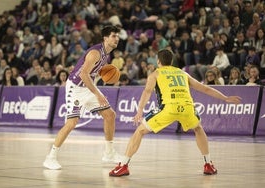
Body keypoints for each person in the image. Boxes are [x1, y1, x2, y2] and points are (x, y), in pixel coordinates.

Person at [109, 49, 241, 177]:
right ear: (171, 61)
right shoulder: (183, 73)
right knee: (198, 129)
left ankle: (124, 166)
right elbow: (205, 89)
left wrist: (139, 111)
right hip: (187, 107)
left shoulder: (156, 73)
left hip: (168, 107)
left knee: (140, 131)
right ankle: (208, 164)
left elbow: (147, 92)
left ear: (158, 61)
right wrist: (225, 98)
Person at [43, 25, 122, 170]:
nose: (117, 38)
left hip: (87, 86)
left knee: (110, 115)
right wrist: (98, 94)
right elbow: (83, 75)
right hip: (76, 88)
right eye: (113, 36)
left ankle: (109, 153)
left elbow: (91, 72)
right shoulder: (95, 53)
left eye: (117, 36)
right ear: (105, 38)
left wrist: (103, 76)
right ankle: (50, 157)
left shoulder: (107, 54)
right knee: (71, 123)